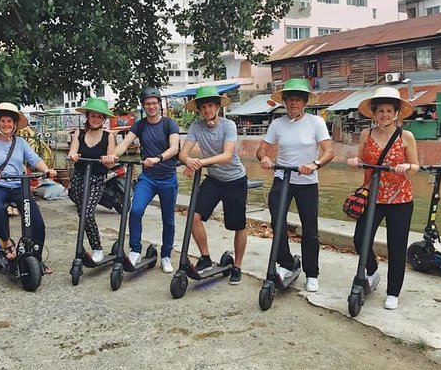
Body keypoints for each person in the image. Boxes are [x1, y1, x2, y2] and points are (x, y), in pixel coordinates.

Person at [256, 78, 334, 292]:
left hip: (307, 181)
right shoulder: (277, 124)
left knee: (310, 229)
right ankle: (286, 263)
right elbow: (262, 150)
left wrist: (315, 164)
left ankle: (312, 273)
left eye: (298, 99)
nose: (293, 104)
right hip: (283, 178)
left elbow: (329, 151)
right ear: (284, 102)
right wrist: (264, 158)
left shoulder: (316, 123)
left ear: (305, 102)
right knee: (277, 223)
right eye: (290, 99)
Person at [347, 86, 418, 310]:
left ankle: (393, 292)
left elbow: (416, 166)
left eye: (389, 111)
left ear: (396, 113)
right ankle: (372, 270)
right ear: (374, 113)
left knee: (396, 247)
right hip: (372, 196)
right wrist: (354, 161)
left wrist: (407, 166)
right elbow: (360, 158)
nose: (384, 115)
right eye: (380, 111)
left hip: (400, 200)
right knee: (360, 239)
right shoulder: (366, 135)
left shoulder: (406, 136)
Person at [101, 87, 179, 273]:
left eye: (154, 103)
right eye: (147, 104)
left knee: (168, 219)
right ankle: (135, 250)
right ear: (143, 106)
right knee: (135, 211)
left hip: (168, 178)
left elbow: (174, 148)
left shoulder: (170, 124)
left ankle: (166, 255)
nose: (151, 106)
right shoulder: (140, 125)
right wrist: (112, 156)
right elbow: (124, 144)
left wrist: (157, 158)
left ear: (159, 104)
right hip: (148, 178)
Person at [179, 85, 247, 285]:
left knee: (238, 224)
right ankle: (205, 258)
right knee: (193, 215)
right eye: (203, 107)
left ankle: (238, 266)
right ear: (198, 110)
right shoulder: (196, 127)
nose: (207, 110)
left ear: (217, 107)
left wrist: (199, 162)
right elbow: (183, 153)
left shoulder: (228, 126)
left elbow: (227, 156)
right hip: (214, 179)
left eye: (210, 106)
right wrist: (188, 161)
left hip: (235, 179)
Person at [0, 102, 57, 273]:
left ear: (15, 124)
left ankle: (36, 259)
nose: (6, 125)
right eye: (3, 121)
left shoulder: (20, 142)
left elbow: (34, 159)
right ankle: (6, 243)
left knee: (37, 222)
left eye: (10, 121)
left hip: (18, 186)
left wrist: (46, 170)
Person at [67, 97, 116, 263]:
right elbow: (72, 152)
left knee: (87, 212)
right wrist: (73, 156)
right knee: (82, 213)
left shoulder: (108, 136)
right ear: (87, 116)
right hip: (80, 177)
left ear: (103, 119)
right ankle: (90, 247)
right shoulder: (79, 134)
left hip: (96, 178)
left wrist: (109, 160)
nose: (95, 119)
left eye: (99, 117)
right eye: (93, 116)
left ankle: (97, 248)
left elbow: (112, 158)